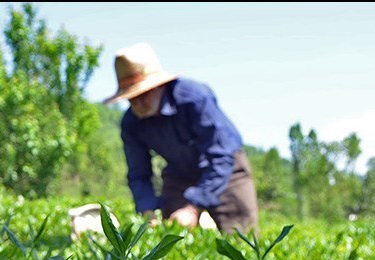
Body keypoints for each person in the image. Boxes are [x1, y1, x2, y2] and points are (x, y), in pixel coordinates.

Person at [104, 43, 259, 234]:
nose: (138, 103)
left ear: (159, 85)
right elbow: (139, 174)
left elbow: (222, 156)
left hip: (225, 170)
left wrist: (193, 207)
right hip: (179, 174)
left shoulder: (194, 99)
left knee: (242, 239)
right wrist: (148, 210)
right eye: (131, 97)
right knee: (170, 238)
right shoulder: (131, 123)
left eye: (143, 94)